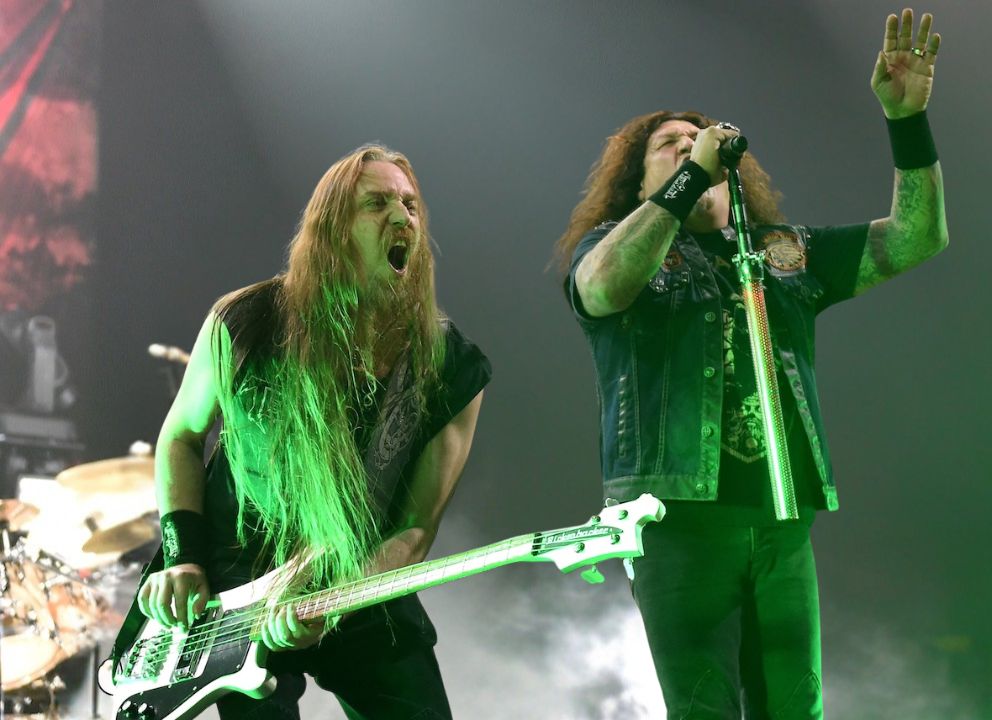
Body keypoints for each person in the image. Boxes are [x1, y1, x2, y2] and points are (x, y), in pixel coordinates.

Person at [553, 9, 948, 718]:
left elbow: (918, 237)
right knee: (703, 709)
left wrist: (906, 122)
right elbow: (604, 287)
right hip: (677, 521)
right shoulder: (616, 245)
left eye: (698, 141)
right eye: (668, 147)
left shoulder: (781, 251)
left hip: (781, 517)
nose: (689, 149)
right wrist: (689, 176)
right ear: (639, 185)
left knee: (797, 709)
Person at [130, 144, 489, 719]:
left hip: (358, 578)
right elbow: (181, 437)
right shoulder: (245, 323)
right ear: (332, 228)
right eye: (376, 203)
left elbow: (416, 528)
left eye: (411, 205)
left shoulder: (450, 366)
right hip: (235, 587)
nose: (402, 218)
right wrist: (182, 556)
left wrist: (335, 600)